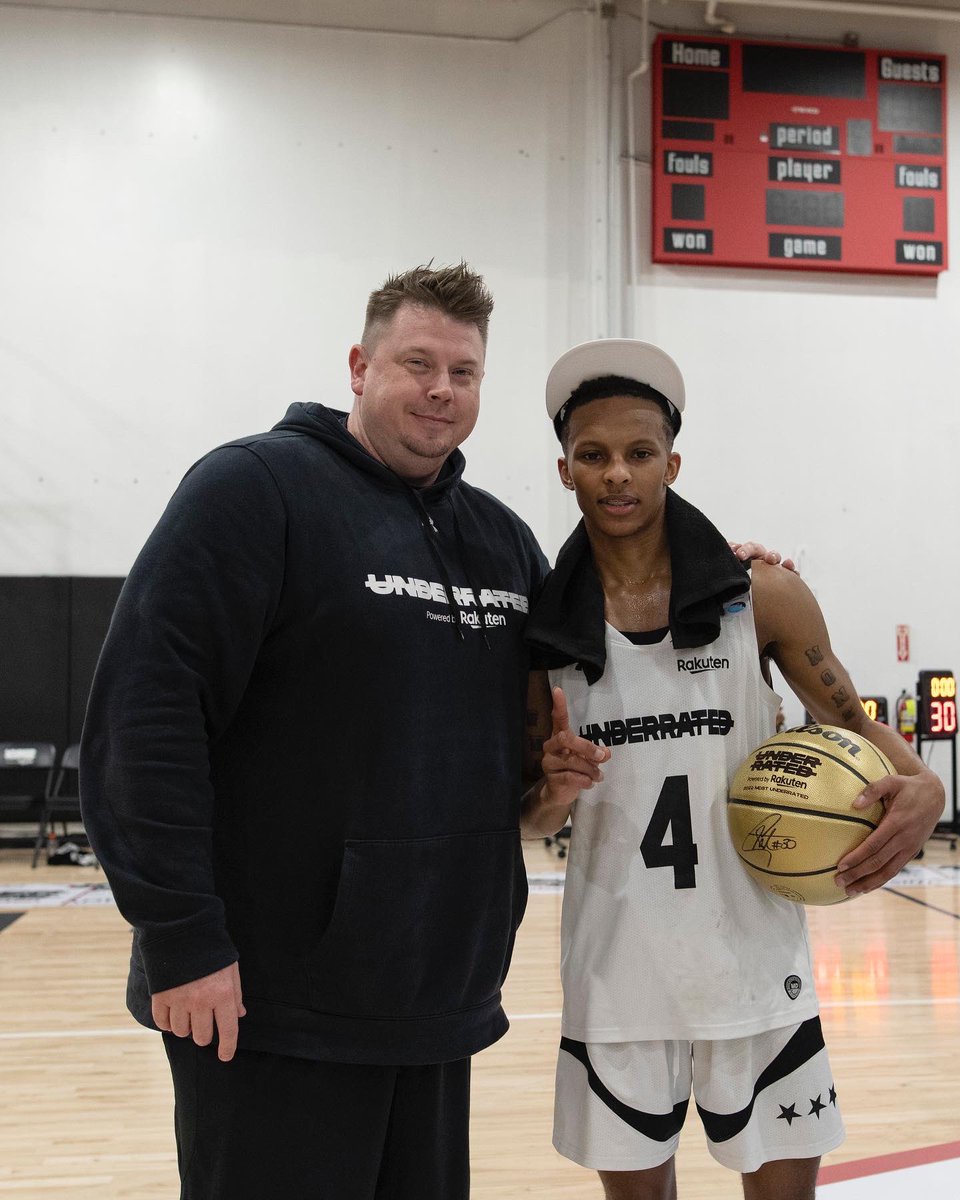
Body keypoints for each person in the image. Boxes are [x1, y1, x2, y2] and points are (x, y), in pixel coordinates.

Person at [79, 263, 785, 1200]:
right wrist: (181, 939)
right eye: (418, 362)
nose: (441, 389)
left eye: (465, 372)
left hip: (435, 1001)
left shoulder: (499, 542)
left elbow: (612, 607)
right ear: (360, 367)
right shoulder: (253, 491)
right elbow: (145, 717)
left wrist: (727, 566)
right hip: (269, 1003)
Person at [520, 339, 944, 1200]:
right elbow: (530, 818)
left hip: (756, 970)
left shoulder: (763, 597)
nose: (617, 476)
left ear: (672, 462)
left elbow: (862, 730)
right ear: (564, 470)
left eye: (639, 454)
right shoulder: (540, 631)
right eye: (593, 456)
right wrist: (549, 795)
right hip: (617, 976)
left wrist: (926, 791)